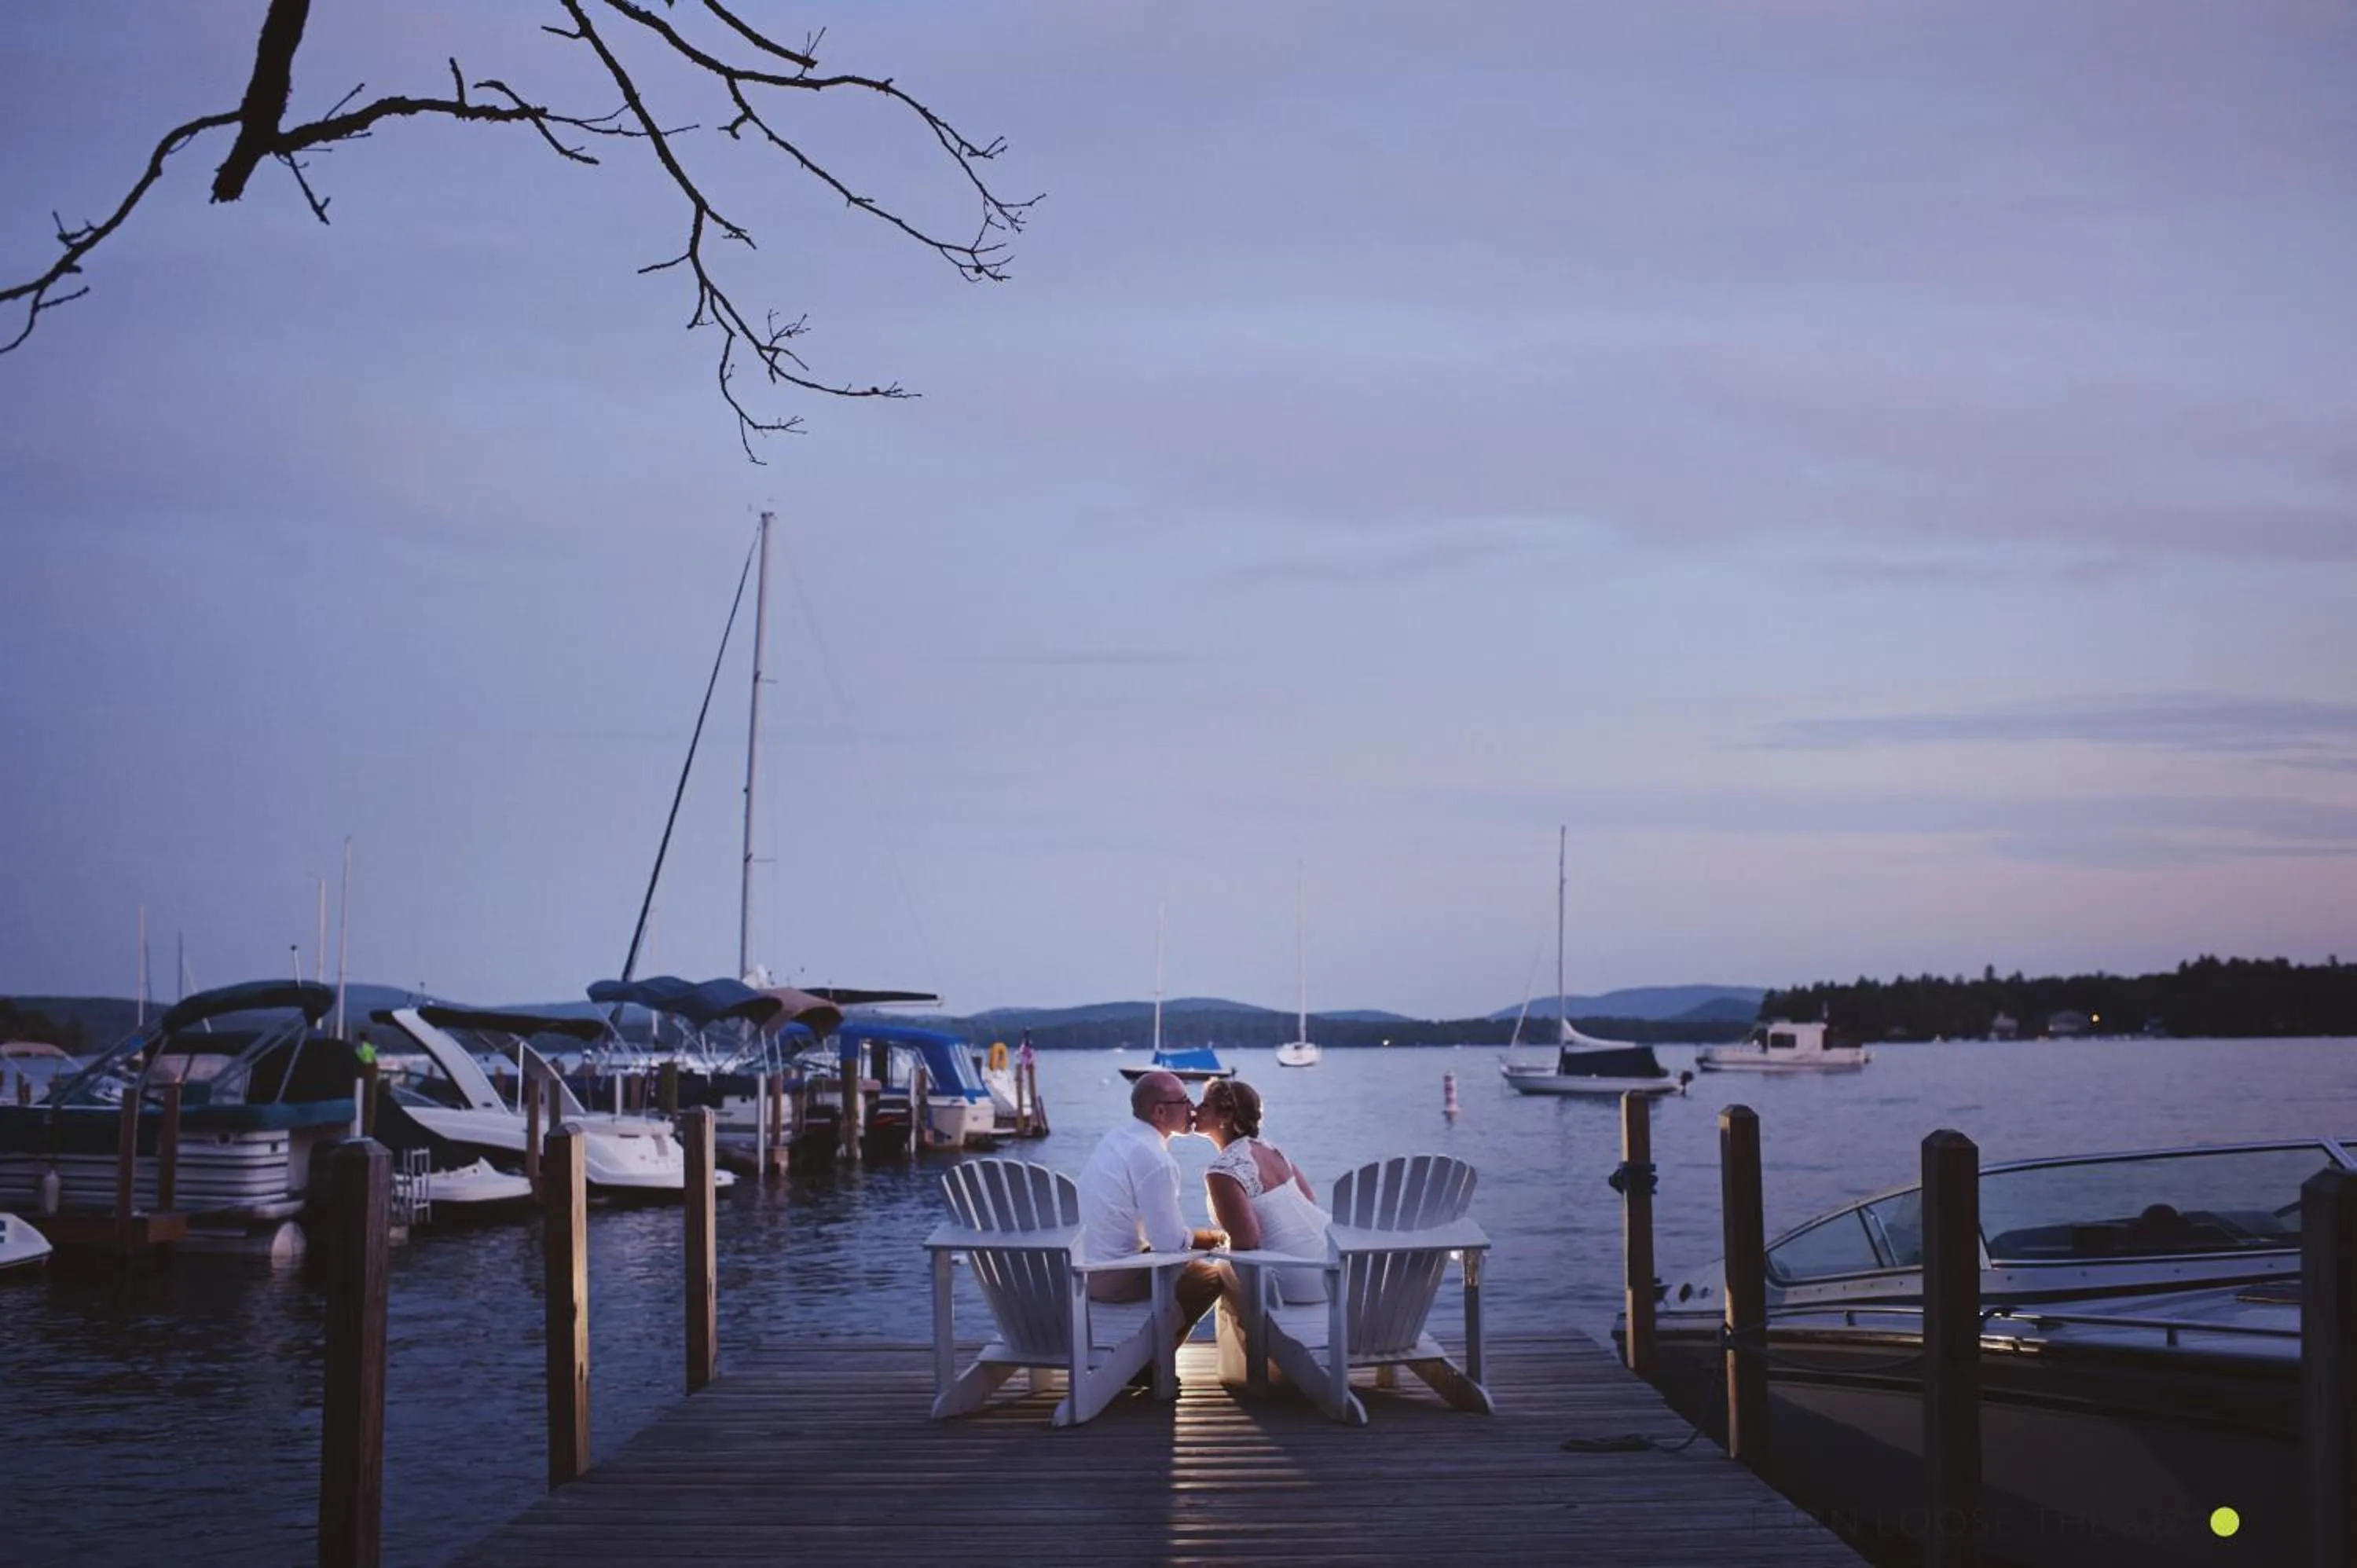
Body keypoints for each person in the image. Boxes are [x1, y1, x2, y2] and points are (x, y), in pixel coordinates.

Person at [1076, 1069, 1228, 1346]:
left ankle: (1144, 1348)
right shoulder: (1156, 1160)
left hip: (1079, 1270)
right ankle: (1151, 1359)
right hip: (1111, 1277)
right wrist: (1213, 1241)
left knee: (1185, 1262)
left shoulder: (1116, 1138)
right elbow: (1169, 1244)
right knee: (1210, 1279)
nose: (1192, 1108)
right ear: (1159, 1112)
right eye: (1184, 1101)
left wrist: (1204, 1237)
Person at [1196, 1077, 1332, 1303]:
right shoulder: (1273, 1150)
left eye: (1205, 1105)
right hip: (1334, 1265)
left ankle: (1249, 1336)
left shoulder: (1222, 1170)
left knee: (1217, 1271)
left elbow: (1247, 1242)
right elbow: (1310, 1202)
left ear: (1226, 1117)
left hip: (1298, 1282)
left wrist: (1206, 1247)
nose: (1195, 1108)